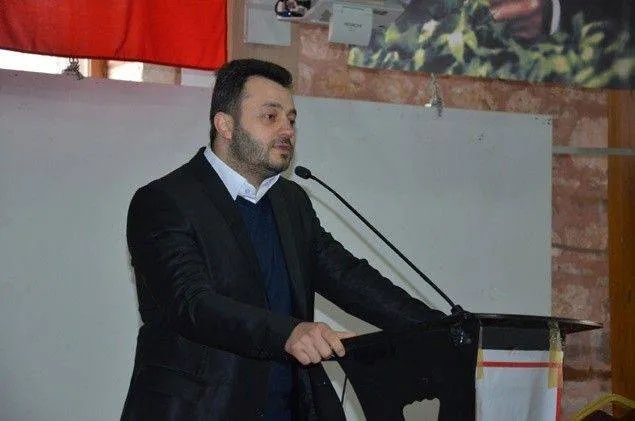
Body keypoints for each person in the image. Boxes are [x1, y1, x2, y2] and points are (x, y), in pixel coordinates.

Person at [120, 58, 445, 421]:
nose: (287, 130)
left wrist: (436, 329)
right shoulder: (164, 201)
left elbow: (348, 277)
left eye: (291, 120)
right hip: (198, 410)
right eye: (270, 117)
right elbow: (193, 305)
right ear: (225, 125)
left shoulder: (291, 202)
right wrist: (288, 333)